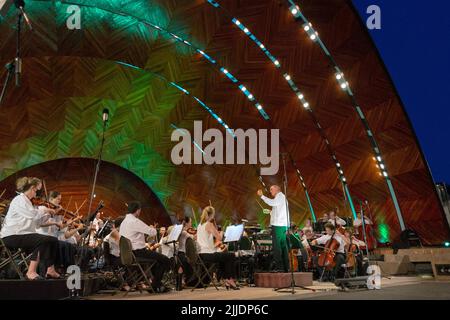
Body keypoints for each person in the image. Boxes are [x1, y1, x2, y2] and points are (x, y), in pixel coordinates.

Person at [0, 177, 61, 280]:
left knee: (53, 240)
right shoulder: (19, 199)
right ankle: (31, 272)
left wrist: (48, 213)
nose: (36, 194)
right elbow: (32, 215)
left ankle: (50, 270)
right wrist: (44, 209)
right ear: (32, 188)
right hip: (12, 236)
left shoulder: (28, 203)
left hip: (22, 234)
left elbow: (37, 223)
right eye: (36, 191)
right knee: (43, 240)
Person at [119, 201, 171, 292]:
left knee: (157, 260)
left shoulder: (123, 222)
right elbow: (152, 232)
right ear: (138, 210)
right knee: (165, 259)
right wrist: (154, 228)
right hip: (138, 253)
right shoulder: (135, 221)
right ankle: (156, 285)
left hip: (128, 254)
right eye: (140, 210)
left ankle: (156, 284)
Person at [196, 206, 238, 290]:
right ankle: (229, 279)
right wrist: (221, 232)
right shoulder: (209, 224)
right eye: (213, 215)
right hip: (208, 254)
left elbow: (205, 243)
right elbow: (219, 238)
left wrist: (215, 244)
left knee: (224, 256)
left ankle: (227, 279)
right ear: (211, 215)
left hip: (201, 255)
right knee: (231, 255)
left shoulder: (199, 225)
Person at [257, 185, 289, 272]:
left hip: (278, 226)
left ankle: (279, 268)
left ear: (277, 189)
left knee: (277, 247)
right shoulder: (281, 198)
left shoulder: (280, 196)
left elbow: (272, 203)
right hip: (282, 225)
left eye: (271, 189)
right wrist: (271, 212)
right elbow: (278, 211)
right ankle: (286, 267)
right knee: (282, 247)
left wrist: (262, 196)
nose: (270, 191)